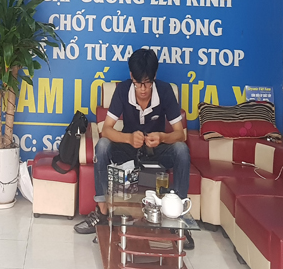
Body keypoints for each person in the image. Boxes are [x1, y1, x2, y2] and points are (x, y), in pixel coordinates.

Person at [74, 48, 194, 250]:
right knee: (102, 146)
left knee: (181, 150)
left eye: (147, 83)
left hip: (156, 150)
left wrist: (162, 137)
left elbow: (180, 134)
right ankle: (102, 212)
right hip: (129, 151)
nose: (143, 89)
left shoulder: (165, 91)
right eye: (138, 83)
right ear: (131, 76)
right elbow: (107, 130)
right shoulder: (123, 90)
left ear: (154, 77)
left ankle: (178, 217)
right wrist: (128, 138)